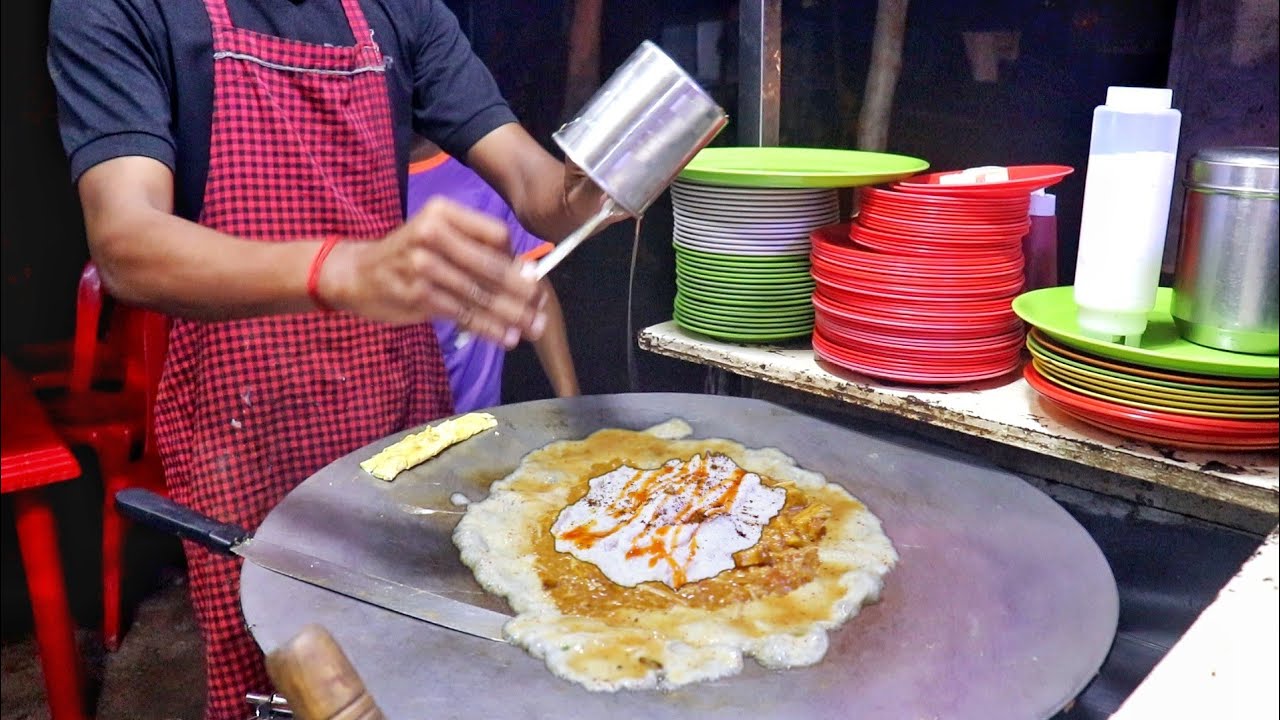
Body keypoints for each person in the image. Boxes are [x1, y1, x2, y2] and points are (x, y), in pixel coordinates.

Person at [47, 1, 612, 717]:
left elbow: (540, 191)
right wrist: (338, 269)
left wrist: (604, 181)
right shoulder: (122, 10)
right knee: (282, 674)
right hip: (244, 415)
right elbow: (127, 243)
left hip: (396, 408)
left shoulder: (404, 11)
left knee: (418, 657)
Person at [408, 137, 580, 411]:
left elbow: (532, 284)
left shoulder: (486, 167)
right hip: (391, 423)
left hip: (478, 419)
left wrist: (570, 399)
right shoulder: (357, 183)